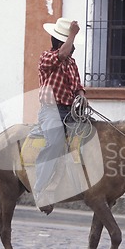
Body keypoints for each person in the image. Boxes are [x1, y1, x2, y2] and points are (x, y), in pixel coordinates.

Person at [33, 18, 86, 213]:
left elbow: (78, 86)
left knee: (90, 137)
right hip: (51, 111)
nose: (72, 48)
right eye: (70, 43)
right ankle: (40, 189)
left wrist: (81, 97)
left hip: (70, 111)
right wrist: (72, 33)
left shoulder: (71, 63)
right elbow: (62, 54)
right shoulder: (46, 57)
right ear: (60, 42)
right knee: (55, 144)